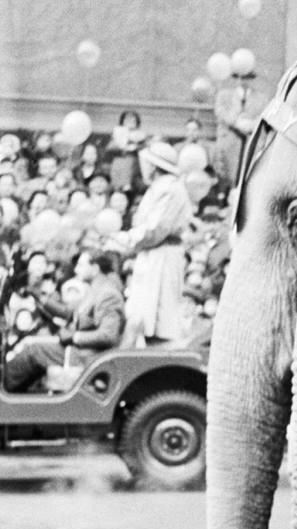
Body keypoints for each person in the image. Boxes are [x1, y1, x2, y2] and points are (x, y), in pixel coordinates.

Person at [3, 249, 123, 392]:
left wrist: (74, 337)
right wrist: (40, 297)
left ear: (95, 268)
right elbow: (71, 313)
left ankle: (6, 397)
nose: (76, 270)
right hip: (78, 348)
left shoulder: (107, 294)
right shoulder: (96, 289)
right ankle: (19, 395)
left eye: (81, 265)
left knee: (33, 351)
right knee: (30, 344)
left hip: (85, 354)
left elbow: (108, 335)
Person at [121, 141, 193, 344]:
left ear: (152, 165)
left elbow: (155, 230)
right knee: (142, 317)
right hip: (151, 255)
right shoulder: (158, 187)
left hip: (163, 255)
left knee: (159, 319)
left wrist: (126, 239)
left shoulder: (170, 188)